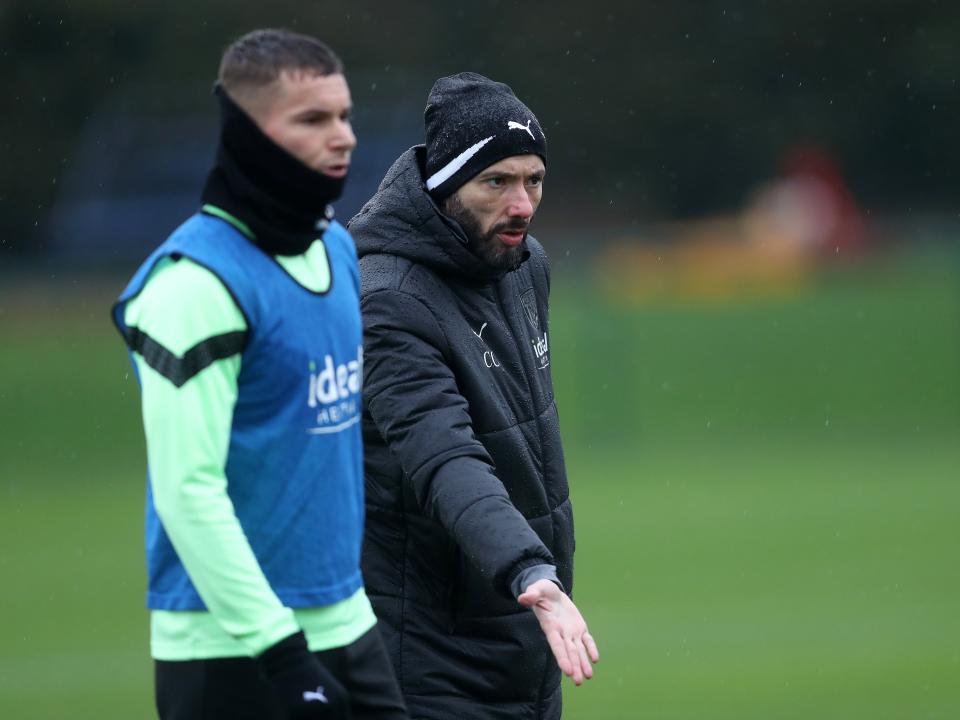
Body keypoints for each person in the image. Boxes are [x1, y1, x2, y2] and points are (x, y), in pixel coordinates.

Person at [112, 28, 407, 720]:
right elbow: (188, 493)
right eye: (312, 119)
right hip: (231, 649)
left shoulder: (337, 250)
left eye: (344, 115)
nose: (344, 138)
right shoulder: (192, 287)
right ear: (245, 131)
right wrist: (280, 653)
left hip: (345, 622)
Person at [349, 72, 599, 720]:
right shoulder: (386, 298)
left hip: (527, 645)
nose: (522, 204)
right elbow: (446, 457)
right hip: (431, 665)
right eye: (497, 181)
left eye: (534, 180)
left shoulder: (523, 265)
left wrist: (538, 586)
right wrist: (528, 571)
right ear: (445, 186)